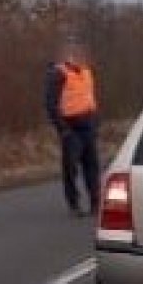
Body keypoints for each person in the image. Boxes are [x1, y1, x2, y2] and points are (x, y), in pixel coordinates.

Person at [45, 39, 100, 216]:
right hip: (71, 126)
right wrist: (63, 129)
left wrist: (95, 120)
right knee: (71, 167)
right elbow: (51, 104)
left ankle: (95, 202)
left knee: (92, 165)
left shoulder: (87, 71)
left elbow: (89, 97)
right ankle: (74, 204)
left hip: (88, 123)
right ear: (69, 55)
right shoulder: (58, 73)